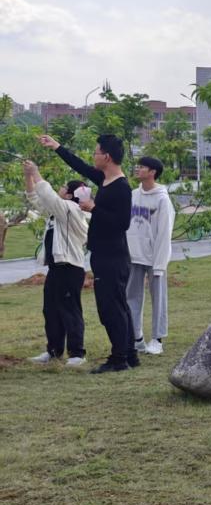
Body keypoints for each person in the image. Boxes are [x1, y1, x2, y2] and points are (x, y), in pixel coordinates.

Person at [40, 133, 138, 374]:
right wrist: (57, 147)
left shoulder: (121, 187)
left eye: (96, 152)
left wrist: (95, 208)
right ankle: (130, 354)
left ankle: (119, 359)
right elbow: (80, 166)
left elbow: (122, 223)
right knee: (117, 306)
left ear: (107, 157)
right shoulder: (104, 179)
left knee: (111, 309)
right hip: (103, 254)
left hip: (112, 256)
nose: (93, 157)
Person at [23, 161, 89, 367]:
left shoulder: (70, 209)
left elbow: (48, 195)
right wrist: (28, 176)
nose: (59, 188)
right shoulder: (57, 211)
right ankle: (53, 351)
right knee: (51, 310)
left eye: (63, 187)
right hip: (56, 268)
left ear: (69, 195)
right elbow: (36, 198)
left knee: (70, 310)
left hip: (70, 268)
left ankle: (77, 353)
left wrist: (36, 171)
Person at [126, 156, 175, 355]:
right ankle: (136, 337)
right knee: (131, 298)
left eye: (142, 167)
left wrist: (160, 264)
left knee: (158, 299)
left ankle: (157, 339)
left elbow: (164, 233)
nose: (138, 169)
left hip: (155, 258)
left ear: (153, 172)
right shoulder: (132, 195)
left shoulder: (162, 199)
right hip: (134, 255)